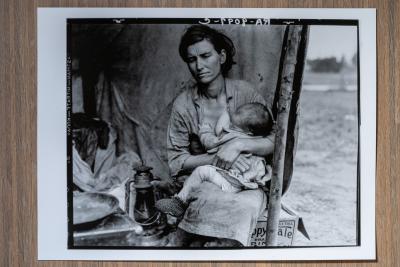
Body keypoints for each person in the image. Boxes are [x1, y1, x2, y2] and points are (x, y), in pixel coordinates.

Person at [166, 24, 275, 246]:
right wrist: (220, 159)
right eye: (191, 59)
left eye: (206, 56)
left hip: (248, 183)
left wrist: (238, 146)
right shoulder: (183, 104)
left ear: (222, 56)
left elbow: (275, 142)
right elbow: (176, 161)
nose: (199, 66)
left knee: (245, 208)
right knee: (205, 202)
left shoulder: (245, 94)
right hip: (207, 181)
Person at [157, 102, 273, 217]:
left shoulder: (233, 137)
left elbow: (210, 142)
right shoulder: (257, 140)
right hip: (247, 183)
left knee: (201, 172)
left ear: (248, 131)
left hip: (231, 184)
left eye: (232, 126)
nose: (228, 127)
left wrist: (205, 130)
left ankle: (179, 203)